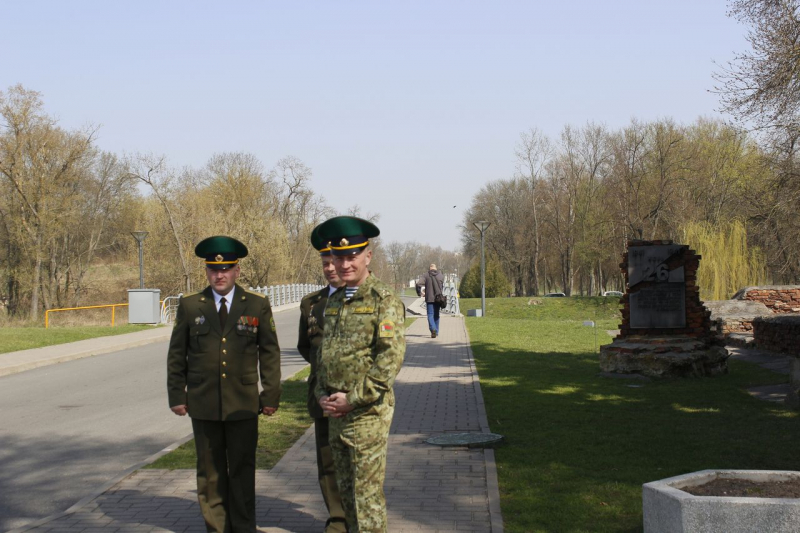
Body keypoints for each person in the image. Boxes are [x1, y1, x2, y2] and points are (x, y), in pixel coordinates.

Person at [167, 235, 281, 533]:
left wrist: (270, 394)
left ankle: (243, 527)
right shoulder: (191, 306)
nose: (220, 274)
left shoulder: (256, 304)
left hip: (243, 403)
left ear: (237, 271)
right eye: (214, 269)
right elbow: (177, 354)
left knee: (242, 470)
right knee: (210, 472)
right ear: (206, 271)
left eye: (226, 269)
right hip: (203, 403)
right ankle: (216, 527)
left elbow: (269, 352)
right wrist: (177, 395)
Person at [312, 216, 406, 533]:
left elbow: (389, 359)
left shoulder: (384, 300)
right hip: (336, 412)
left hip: (366, 413)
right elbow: (326, 354)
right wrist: (322, 395)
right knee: (347, 496)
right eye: (339, 257)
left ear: (368, 256)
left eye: (352, 256)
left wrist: (352, 399)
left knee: (366, 499)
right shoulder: (336, 300)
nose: (345, 263)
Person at [296, 229, 347, 533]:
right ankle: (338, 521)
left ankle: (360, 518)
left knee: (358, 463)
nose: (330, 268)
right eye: (325, 262)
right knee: (328, 464)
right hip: (323, 397)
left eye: (334, 261)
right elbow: (306, 346)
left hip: (358, 399)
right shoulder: (311, 303)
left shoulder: (365, 298)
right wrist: (324, 379)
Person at [416, 263, 445, 338]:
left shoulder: (426, 275)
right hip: (438, 298)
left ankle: (433, 329)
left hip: (429, 298)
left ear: (430, 268)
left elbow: (419, 283)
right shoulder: (440, 275)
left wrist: (420, 292)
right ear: (436, 268)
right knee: (436, 315)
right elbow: (442, 286)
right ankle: (436, 331)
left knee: (430, 314)